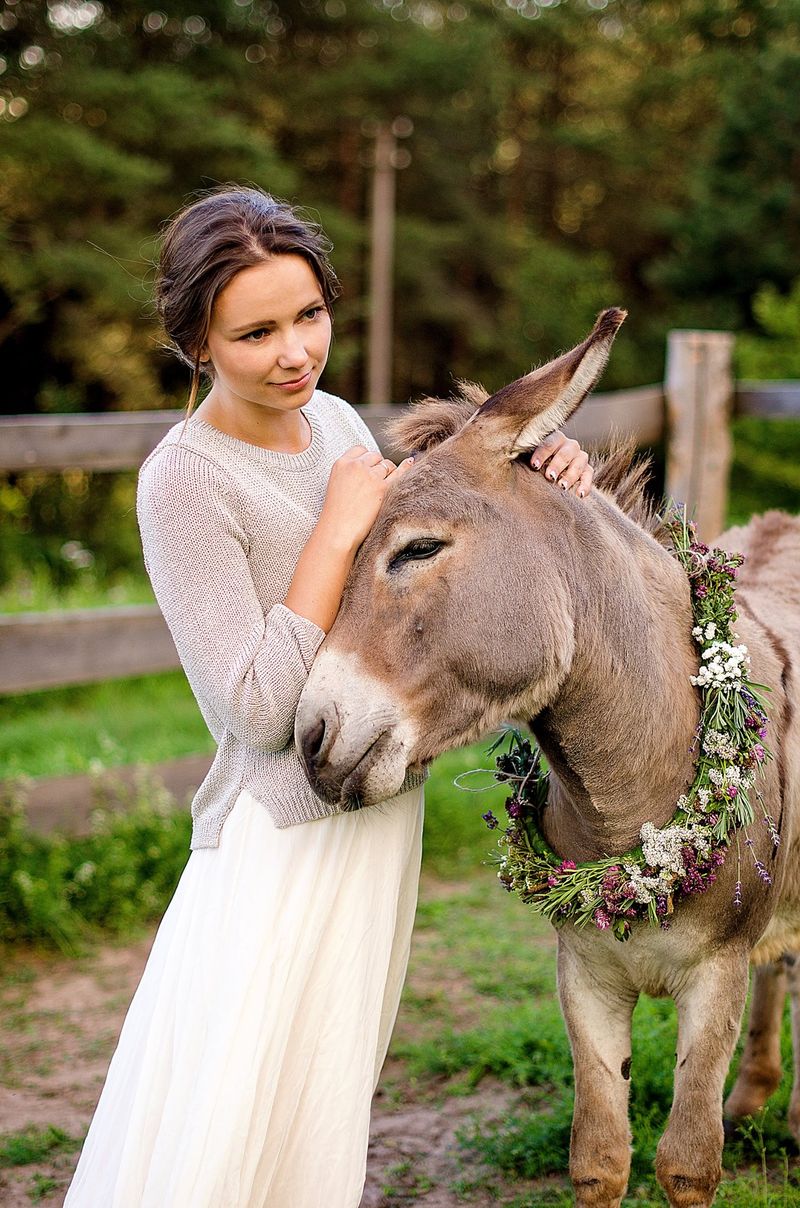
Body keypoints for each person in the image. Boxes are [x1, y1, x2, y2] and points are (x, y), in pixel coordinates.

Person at [63, 185, 594, 1208]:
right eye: (254, 331)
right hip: (277, 839)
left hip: (376, 810)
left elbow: (420, 559)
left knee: (322, 1101)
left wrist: (537, 465)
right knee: (231, 1116)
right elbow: (255, 711)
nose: (295, 351)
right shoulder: (183, 482)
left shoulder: (332, 422)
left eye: (307, 314)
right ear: (195, 342)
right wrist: (332, 532)